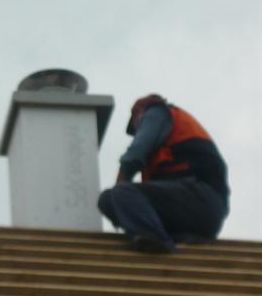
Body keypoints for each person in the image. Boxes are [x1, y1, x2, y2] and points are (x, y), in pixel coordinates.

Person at [98, 94, 230, 254]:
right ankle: (178, 238)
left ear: (139, 113)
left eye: (136, 126)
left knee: (119, 193)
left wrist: (122, 182)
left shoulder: (156, 112)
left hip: (201, 198)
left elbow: (136, 153)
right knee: (107, 199)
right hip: (195, 213)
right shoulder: (168, 138)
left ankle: (154, 239)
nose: (138, 131)